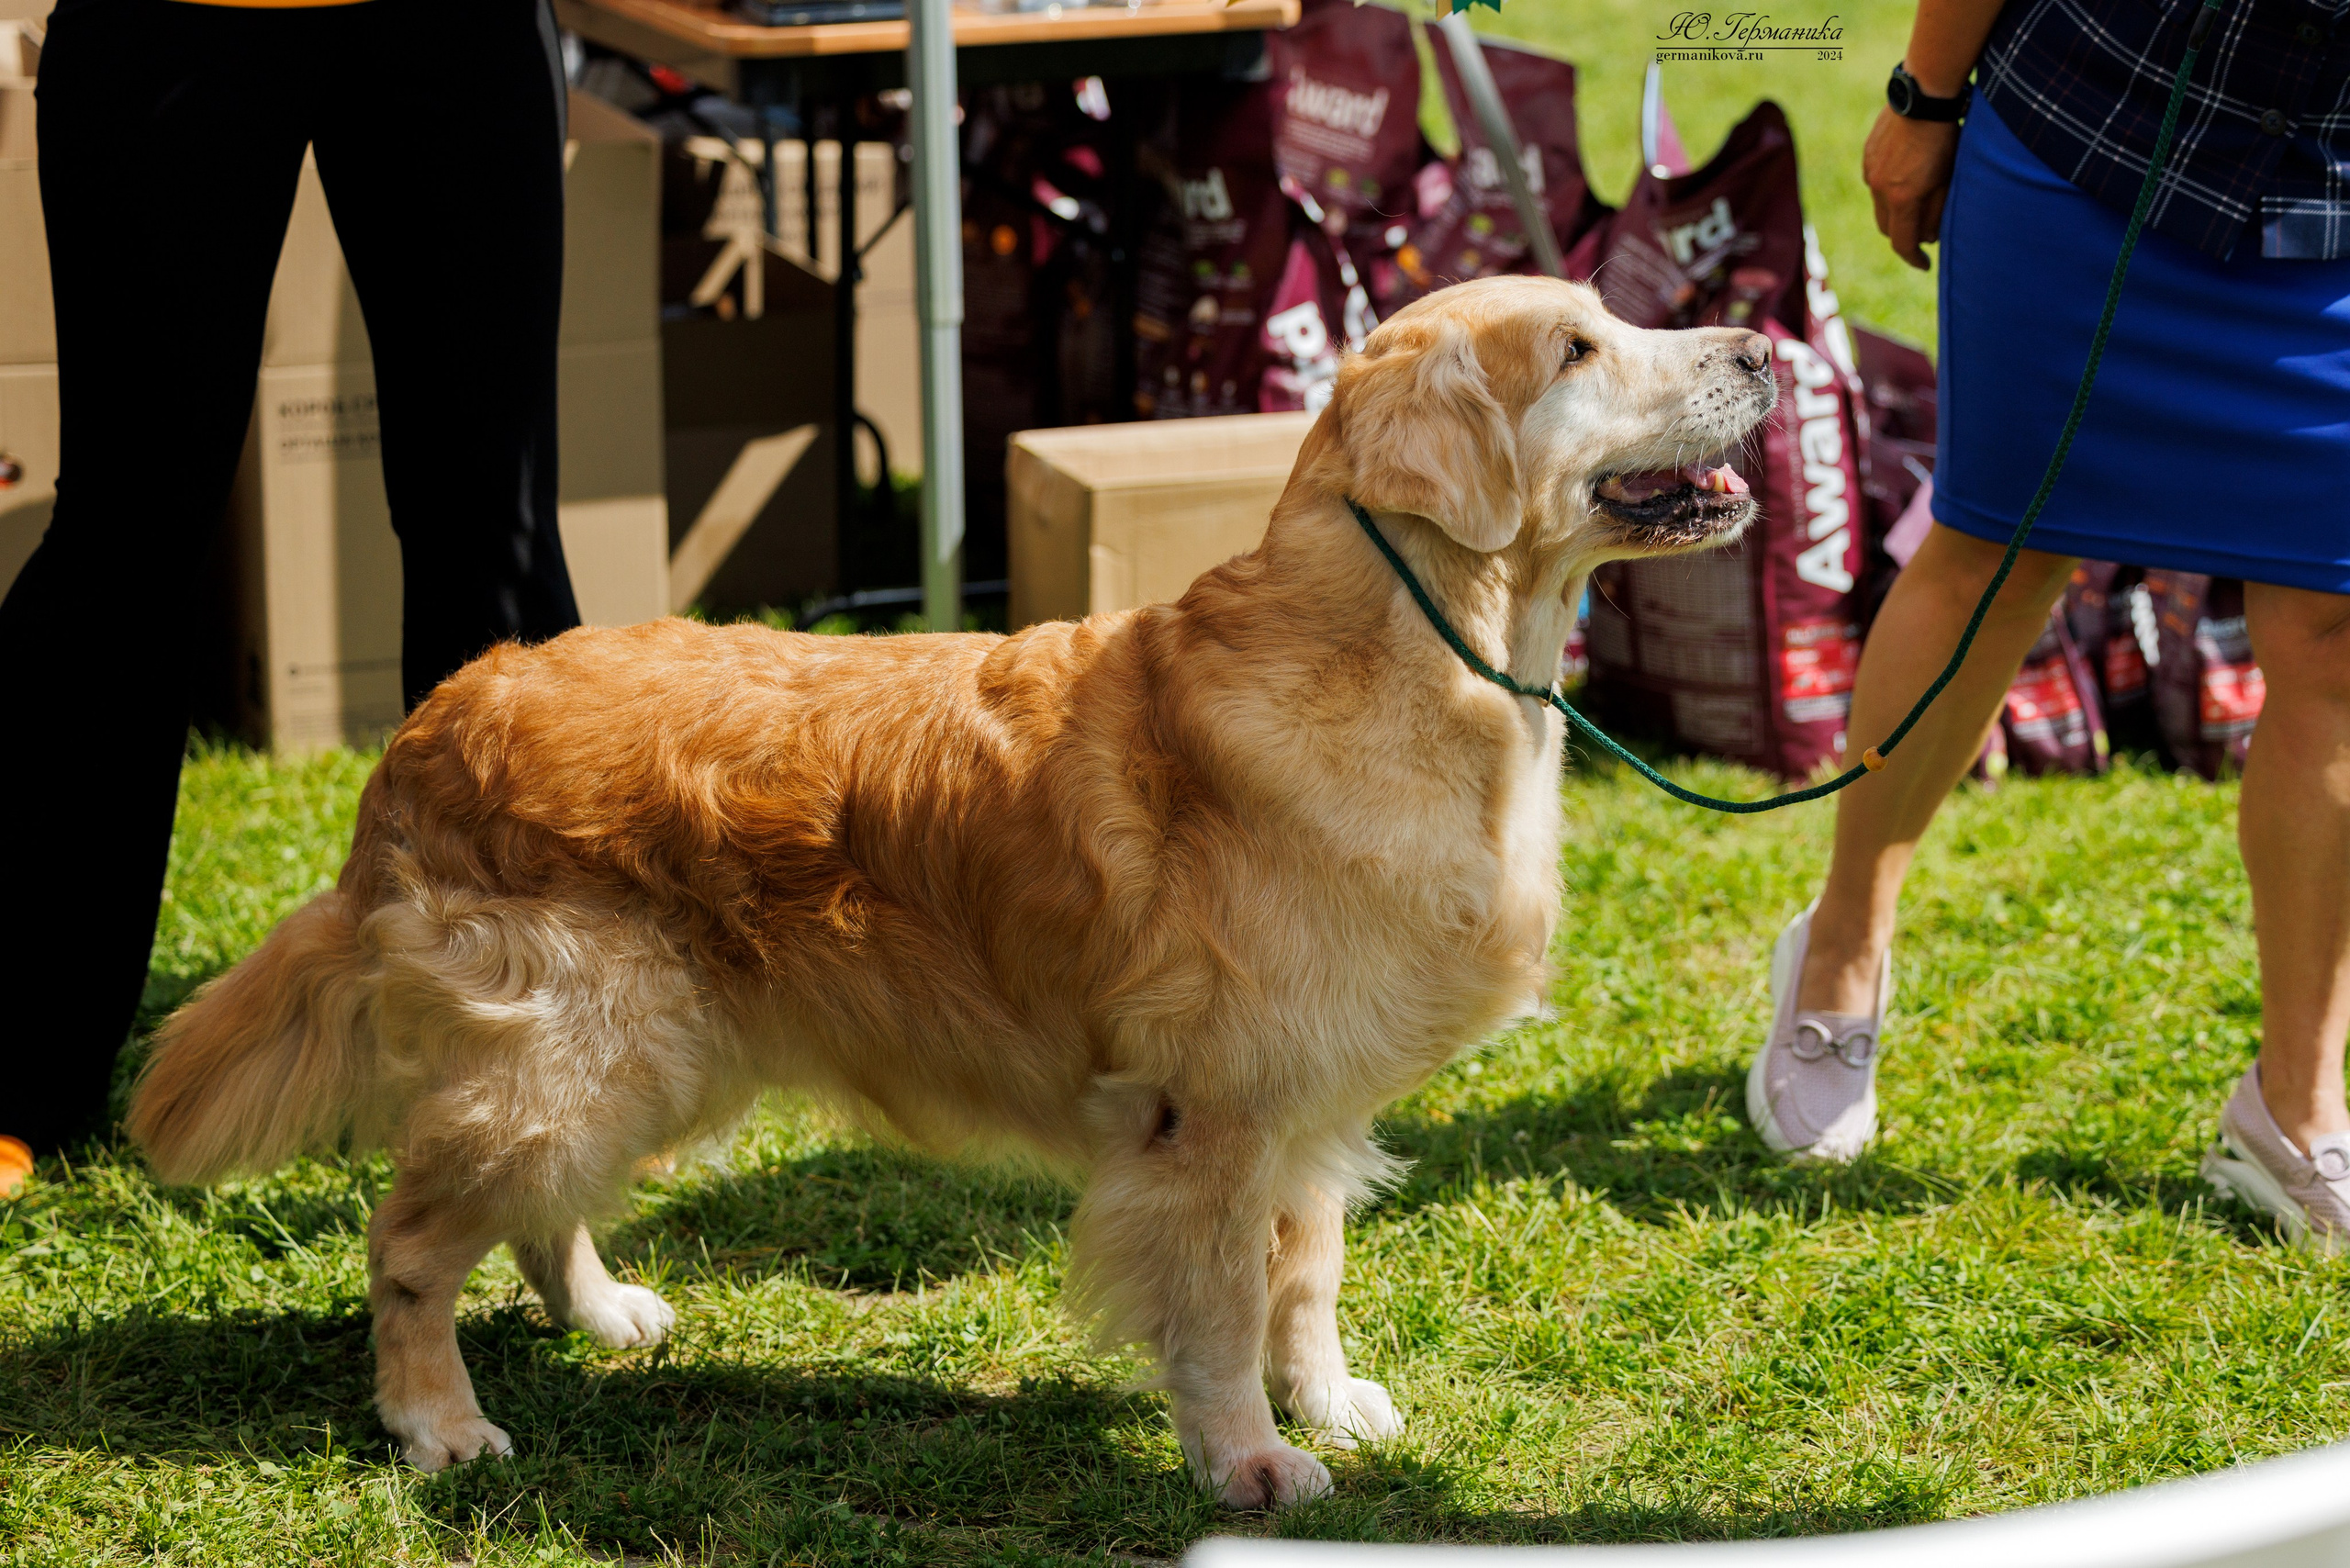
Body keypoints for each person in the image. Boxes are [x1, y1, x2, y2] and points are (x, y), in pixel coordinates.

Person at [1746, 0, 2350, 1245]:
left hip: (2333, 205)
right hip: (2091, 133)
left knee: (2335, 632)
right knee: (1995, 554)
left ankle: (2296, 1101)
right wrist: (1924, 96)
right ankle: (1843, 943)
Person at [0, 0, 583, 1167]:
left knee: (492, 530)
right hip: (174, 18)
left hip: (455, 31)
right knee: (128, 528)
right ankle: (17, 1061)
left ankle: (541, 1025)